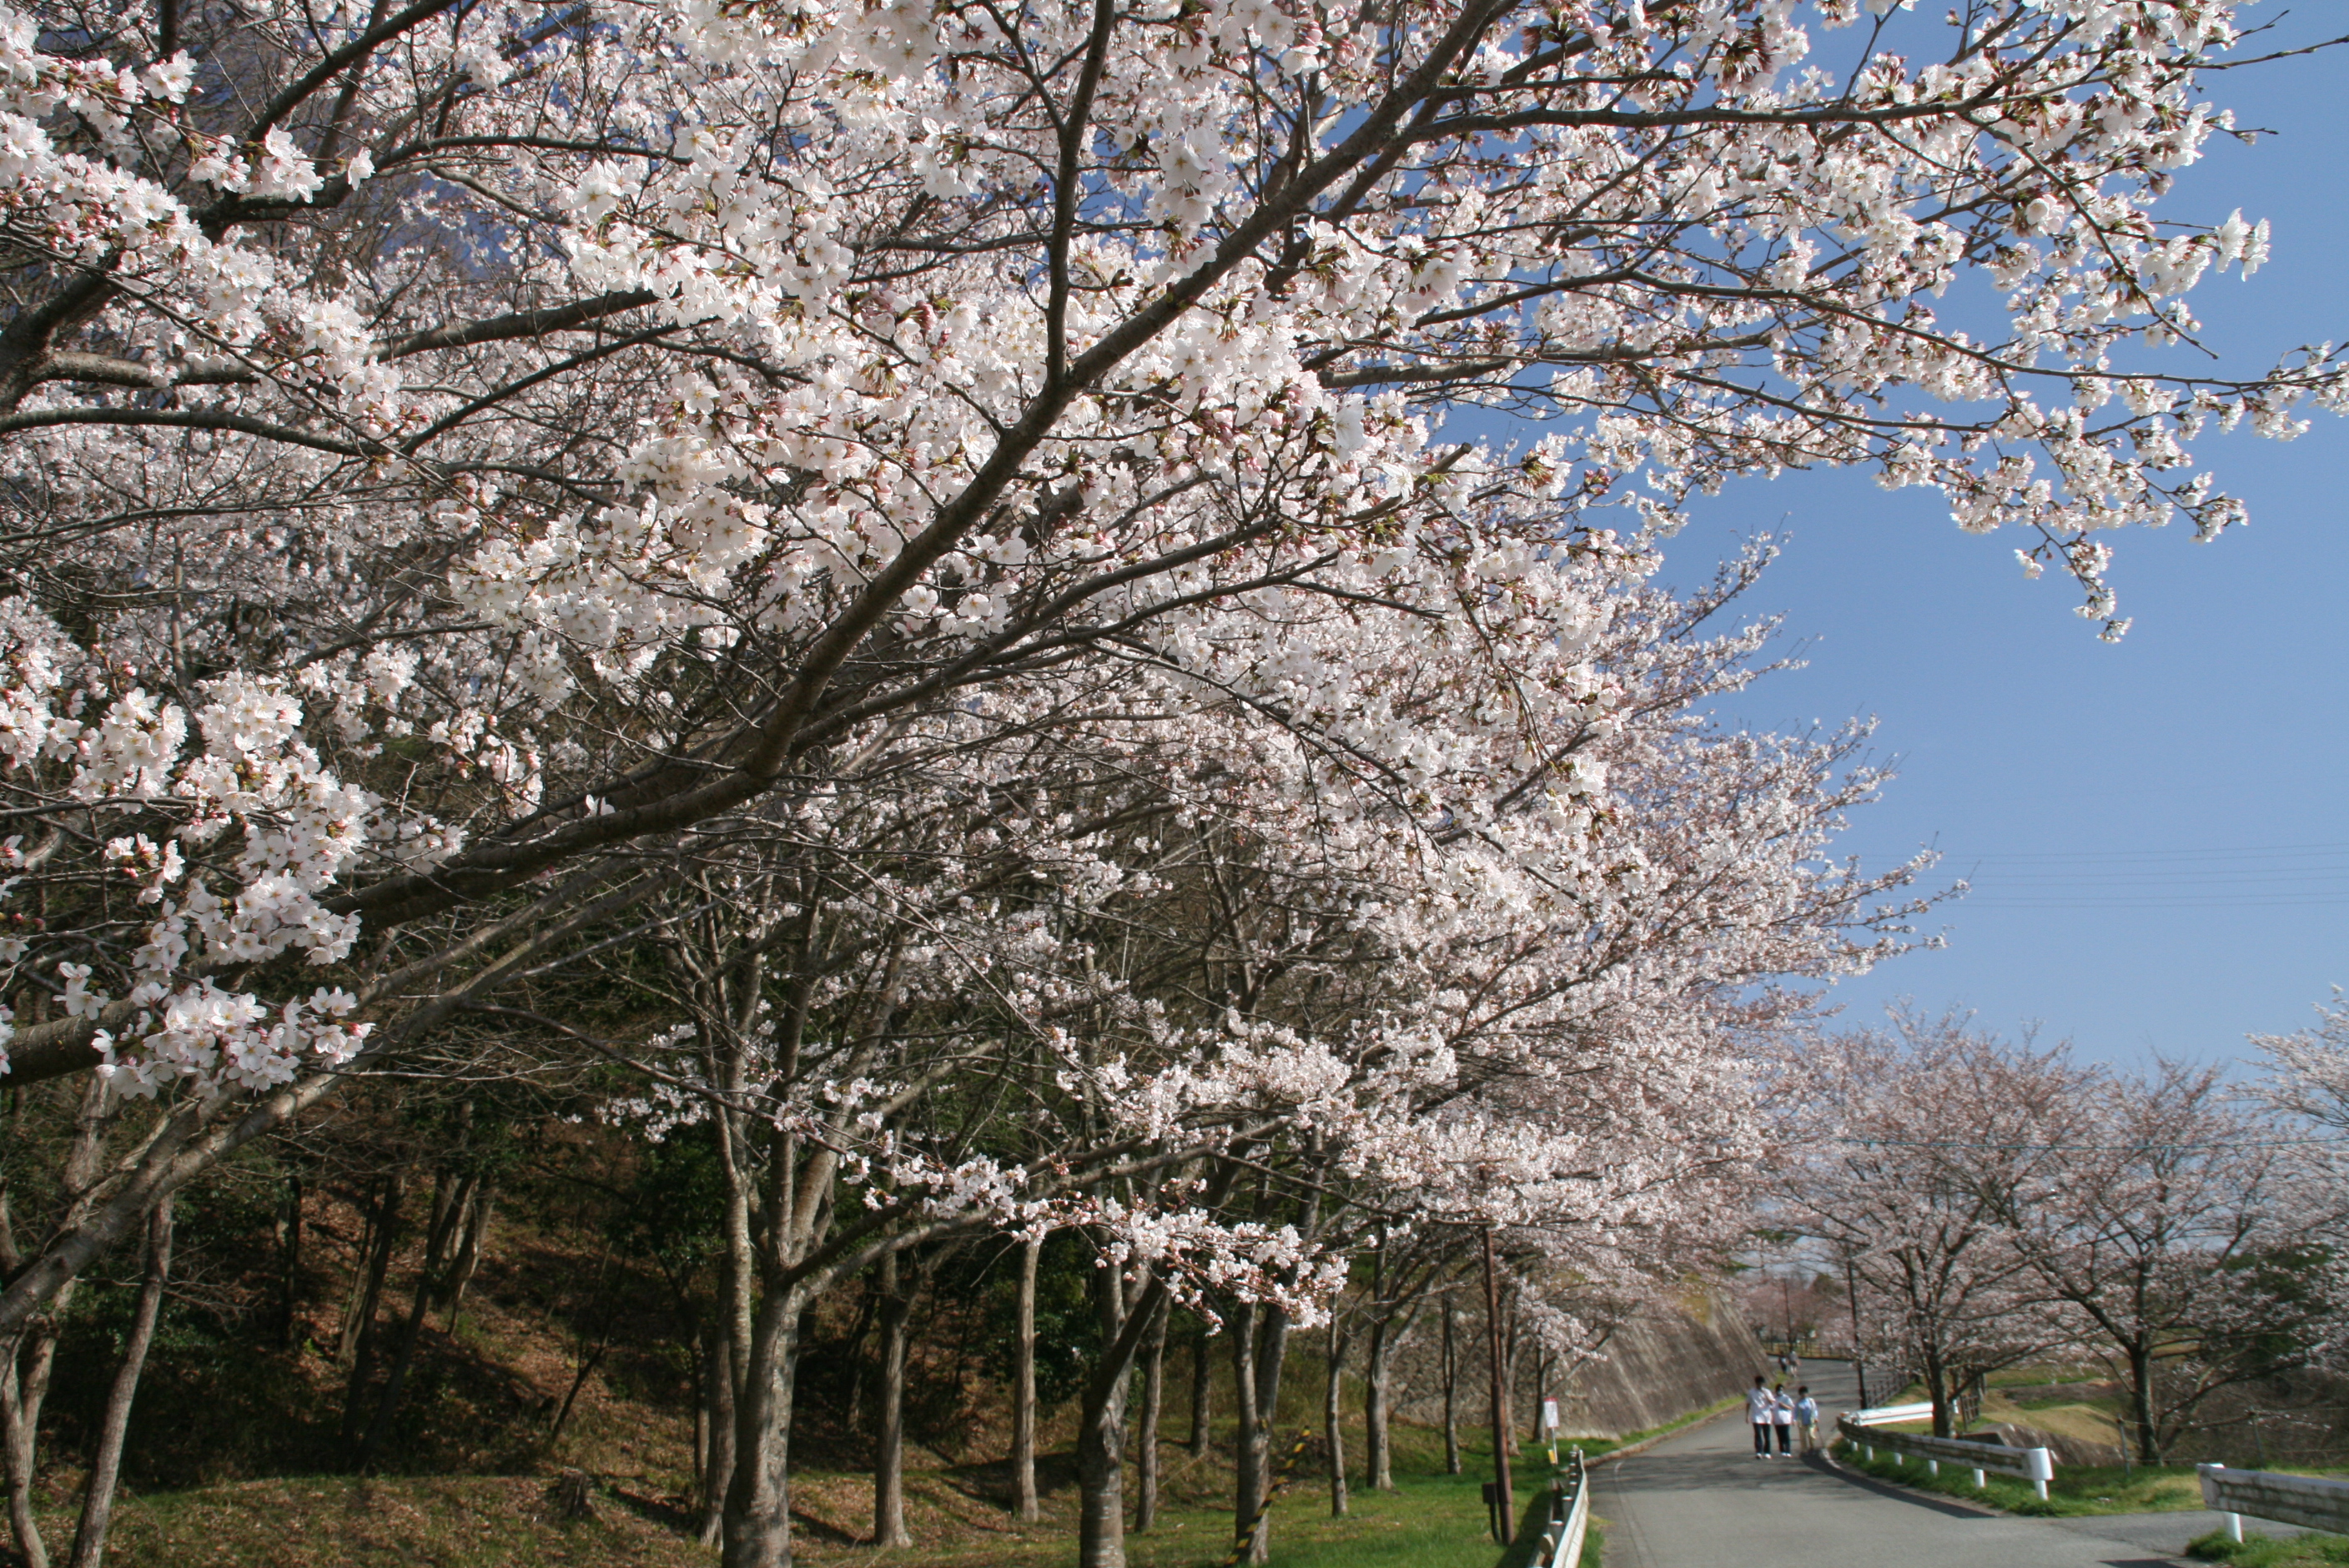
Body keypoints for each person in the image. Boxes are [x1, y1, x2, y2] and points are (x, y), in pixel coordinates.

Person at [1747, 1375, 1777, 1460]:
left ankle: (1767, 1452)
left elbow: (1772, 1403)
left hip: (1766, 1416)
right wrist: (1747, 1415)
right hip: (1756, 1416)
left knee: (1767, 1435)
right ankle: (1758, 1452)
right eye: (1759, 1384)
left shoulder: (1767, 1391)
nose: (1760, 1385)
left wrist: (1766, 1395)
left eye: (1761, 1384)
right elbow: (1748, 1403)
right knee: (1758, 1434)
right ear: (1756, 1383)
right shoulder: (1751, 1392)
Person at [1794, 1385, 1820, 1455]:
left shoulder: (1811, 1401)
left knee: (1811, 1435)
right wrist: (1794, 1420)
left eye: (1805, 1393)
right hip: (1802, 1422)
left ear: (1807, 1393)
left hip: (1811, 1421)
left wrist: (1816, 1418)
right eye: (1802, 1393)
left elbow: (1815, 1410)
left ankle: (1812, 1448)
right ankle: (1804, 1450)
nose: (1804, 1394)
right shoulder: (1798, 1402)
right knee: (1803, 1437)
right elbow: (1796, 1412)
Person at [1772, 1381, 1796, 1455]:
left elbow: (1791, 1407)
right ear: (1776, 1391)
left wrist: (1784, 1405)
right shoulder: (1773, 1398)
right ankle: (1782, 1450)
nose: (1780, 1391)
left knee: (1786, 1435)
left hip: (1786, 1420)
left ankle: (1788, 1450)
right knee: (1780, 1436)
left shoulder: (1786, 1398)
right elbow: (1771, 1408)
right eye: (1778, 1390)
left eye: (1781, 1390)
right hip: (1777, 1420)